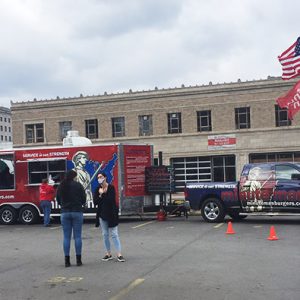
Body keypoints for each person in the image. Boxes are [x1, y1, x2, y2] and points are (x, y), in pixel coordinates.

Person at [56, 170, 86, 267]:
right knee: (77, 236)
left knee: (66, 237)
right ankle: (78, 260)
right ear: (74, 176)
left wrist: (63, 205)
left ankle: (67, 261)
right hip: (77, 211)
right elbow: (84, 199)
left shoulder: (61, 186)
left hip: (65, 212)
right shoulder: (78, 185)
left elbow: (58, 199)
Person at [93, 172, 125, 262]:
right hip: (102, 214)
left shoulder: (111, 188)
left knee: (114, 234)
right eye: (98, 177)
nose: (100, 178)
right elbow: (95, 202)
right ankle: (108, 253)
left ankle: (119, 254)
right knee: (105, 234)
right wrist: (100, 194)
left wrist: (103, 194)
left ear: (105, 177)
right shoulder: (97, 189)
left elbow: (111, 200)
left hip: (111, 214)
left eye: (101, 177)